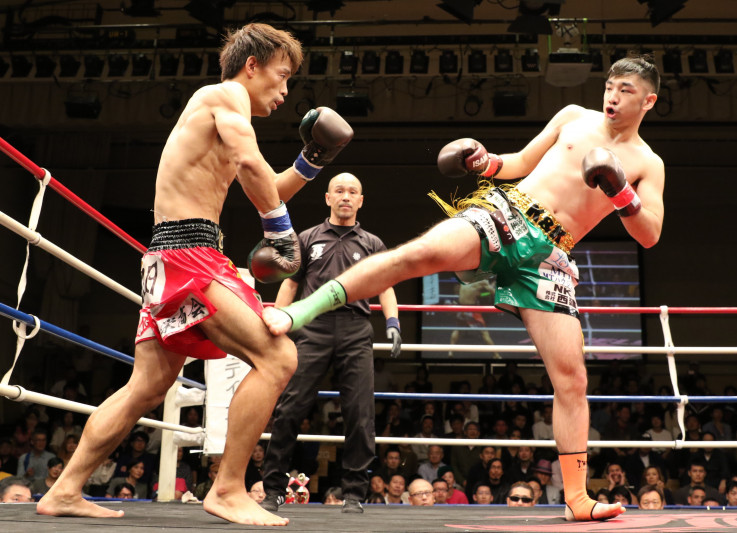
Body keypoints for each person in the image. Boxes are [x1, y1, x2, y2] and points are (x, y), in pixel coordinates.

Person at [263, 53, 665, 522]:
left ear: (648, 101)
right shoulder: (574, 116)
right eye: (610, 86)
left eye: (626, 91)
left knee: (572, 379)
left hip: (552, 254)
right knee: (415, 255)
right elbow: (520, 162)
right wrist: (485, 162)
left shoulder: (647, 162)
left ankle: (577, 498)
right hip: (510, 214)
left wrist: (620, 191)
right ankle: (301, 310)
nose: (613, 97)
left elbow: (650, 234)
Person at [37, 23, 353, 527]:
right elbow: (251, 166)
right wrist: (281, 232)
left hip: (172, 255)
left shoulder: (221, 115)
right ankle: (227, 489)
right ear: (252, 65)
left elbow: (266, 184)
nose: (285, 91)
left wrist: (311, 161)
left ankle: (65, 489)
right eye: (282, 75)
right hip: (189, 255)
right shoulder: (225, 94)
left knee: (146, 385)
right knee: (277, 356)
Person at [262, 172, 400, 515]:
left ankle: (353, 494)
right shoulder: (307, 238)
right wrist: (276, 324)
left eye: (353, 191)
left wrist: (393, 322)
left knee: (360, 413)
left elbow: (386, 285)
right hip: (313, 328)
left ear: (361, 201)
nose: (346, 196)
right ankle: (274, 490)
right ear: (328, 198)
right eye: (339, 190)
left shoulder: (372, 243)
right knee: (290, 408)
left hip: (356, 329)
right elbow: (290, 284)